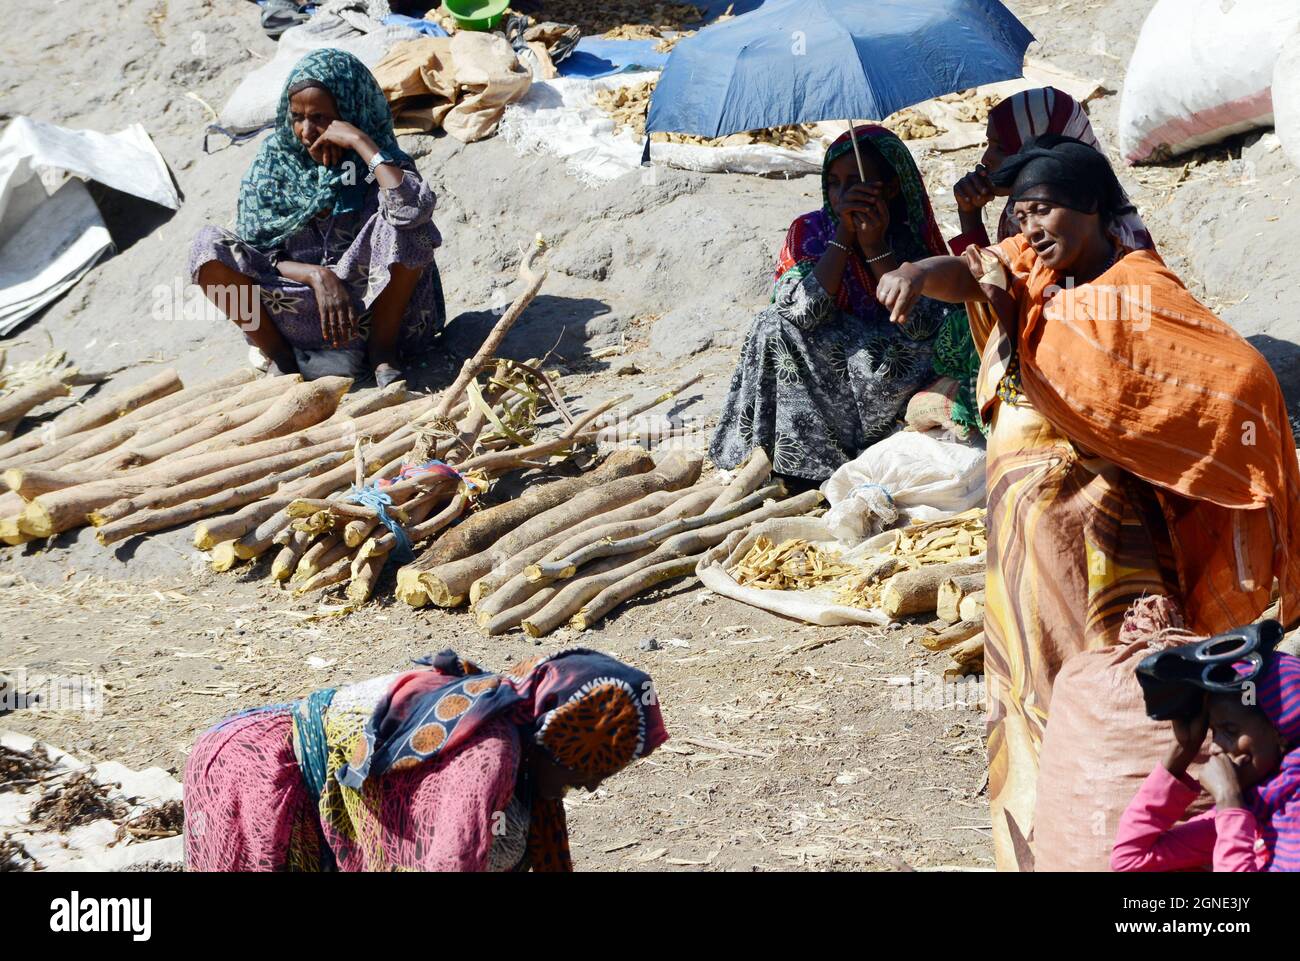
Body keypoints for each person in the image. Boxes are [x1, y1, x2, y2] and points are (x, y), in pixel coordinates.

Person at [874, 134, 1300, 869]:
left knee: (1112, 674)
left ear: (1094, 208)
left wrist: (1219, 457)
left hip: (1107, 538)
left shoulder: (1140, 291)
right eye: (1020, 215)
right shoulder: (1024, 275)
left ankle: (1141, 833)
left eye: (1043, 211)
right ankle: (1048, 834)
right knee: (1033, 681)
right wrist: (915, 268)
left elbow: (1234, 378)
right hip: (1025, 541)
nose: (1031, 229)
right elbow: (966, 275)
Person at [183, 648, 667, 871]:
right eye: (588, 770)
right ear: (553, 738)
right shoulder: (489, 752)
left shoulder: (526, 748)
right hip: (256, 770)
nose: (590, 788)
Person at [709, 125, 981, 484]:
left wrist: (874, 247)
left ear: (891, 186)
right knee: (770, 325)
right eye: (835, 182)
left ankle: (880, 445)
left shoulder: (909, 233)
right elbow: (801, 311)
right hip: (824, 366)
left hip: (889, 373)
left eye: (856, 182)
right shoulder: (809, 231)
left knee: (942, 337)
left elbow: (926, 323)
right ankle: (796, 464)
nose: (842, 194)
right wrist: (843, 237)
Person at [189, 48, 444, 387]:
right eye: (297, 116)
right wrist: (318, 276)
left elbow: (412, 211)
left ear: (350, 111)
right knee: (207, 247)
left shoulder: (380, 160)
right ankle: (283, 361)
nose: (307, 130)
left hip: (377, 312)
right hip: (300, 311)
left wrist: (361, 142)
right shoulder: (274, 163)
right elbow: (261, 254)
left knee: (411, 231)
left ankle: (382, 354)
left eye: (321, 117)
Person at [1112, 650, 1300, 872]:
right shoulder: (1254, 805)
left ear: (1281, 729)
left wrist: (1229, 802)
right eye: (1213, 731)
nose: (1213, 746)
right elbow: (1128, 860)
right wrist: (1182, 749)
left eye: (1230, 731)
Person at [948, 86, 1154, 255]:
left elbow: (996, 294)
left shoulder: (1079, 232)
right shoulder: (1021, 214)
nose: (986, 158)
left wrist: (970, 220)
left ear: (1041, 150)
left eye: (1001, 147)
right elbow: (994, 290)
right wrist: (969, 213)